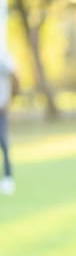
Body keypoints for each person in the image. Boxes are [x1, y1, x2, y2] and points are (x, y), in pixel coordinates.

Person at [0, 49, 19, 195]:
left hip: (1, 110)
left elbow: (15, 76)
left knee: (4, 143)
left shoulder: (3, 58)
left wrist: (11, 99)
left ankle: (8, 177)